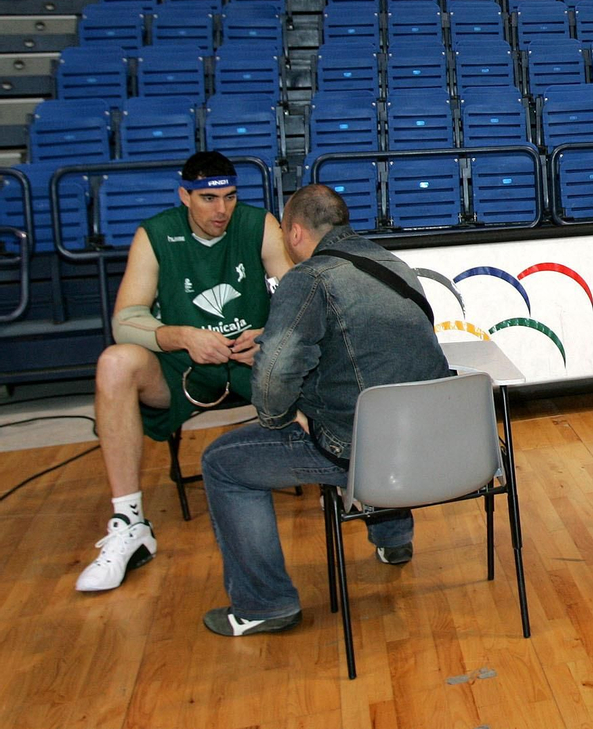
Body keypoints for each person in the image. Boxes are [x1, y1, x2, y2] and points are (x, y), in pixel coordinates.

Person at [198, 184, 451, 636]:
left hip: (362, 448)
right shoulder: (393, 263)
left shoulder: (308, 278)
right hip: (430, 436)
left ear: (295, 233)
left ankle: (264, 604)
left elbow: (275, 375)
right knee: (378, 398)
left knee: (222, 463)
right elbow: (381, 351)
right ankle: (394, 540)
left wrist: (278, 420)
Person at [75, 152, 290, 593]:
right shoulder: (156, 234)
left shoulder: (258, 224)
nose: (221, 210)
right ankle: (129, 522)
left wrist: (270, 333)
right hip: (183, 369)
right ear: (184, 197)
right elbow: (126, 320)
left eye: (229, 197)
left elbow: (301, 297)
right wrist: (182, 337)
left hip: (253, 362)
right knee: (115, 362)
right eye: (208, 199)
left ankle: (354, 484)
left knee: (317, 347)